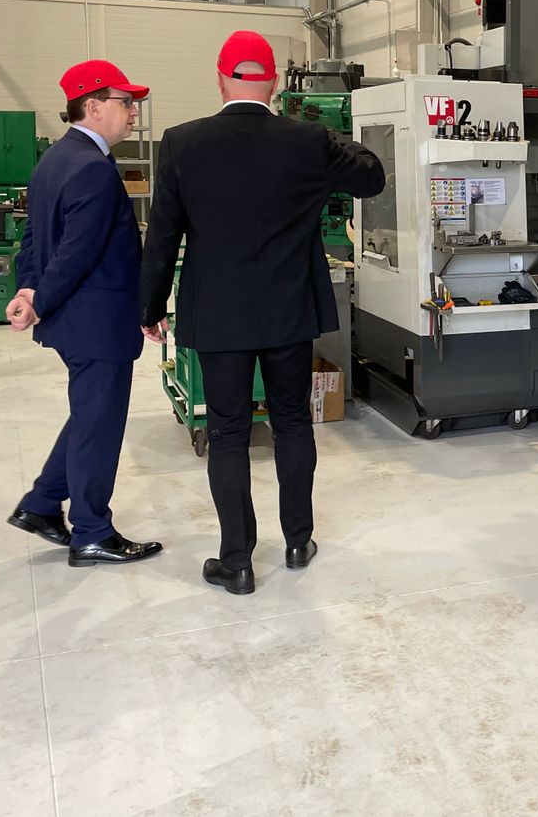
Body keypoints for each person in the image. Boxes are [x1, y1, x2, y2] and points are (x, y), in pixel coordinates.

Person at [140, 31, 384, 596]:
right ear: (273, 83)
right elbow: (370, 176)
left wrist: (150, 306)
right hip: (287, 309)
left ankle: (238, 561)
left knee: (227, 432)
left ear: (221, 79)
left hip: (218, 312)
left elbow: (162, 236)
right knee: (291, 421)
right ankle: (298, 541)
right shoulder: (308, 141)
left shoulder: (181, 142)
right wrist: (328, 137)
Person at [4, 60, 163, 568]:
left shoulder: (55, 159)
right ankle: (92, 531)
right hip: (97, 321)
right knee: (99, 424)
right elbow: (77, 251)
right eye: (125, 102)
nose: (133, 112)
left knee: (90, 415)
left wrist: (30, 289)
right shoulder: (93, 167)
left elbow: (34, 237)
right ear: (92, 106)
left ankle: (41, 504)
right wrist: (38, 300)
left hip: (75, 320)